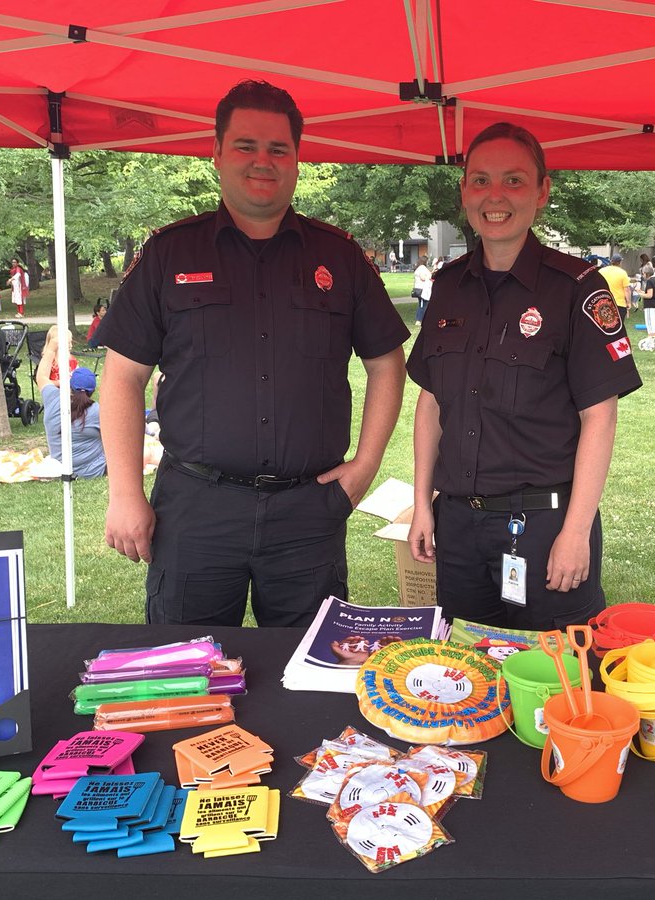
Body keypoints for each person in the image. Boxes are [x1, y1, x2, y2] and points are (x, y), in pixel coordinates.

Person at [98, 79, 409, 629]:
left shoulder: (339, 257)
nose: (262, 161)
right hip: (196, 509)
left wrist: (366, 465)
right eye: (245, 145)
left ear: (296, 159)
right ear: (216, 153)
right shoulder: (170, 254)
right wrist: (125, 492)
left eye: (278, 148)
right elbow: (123, 378)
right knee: (187, 674)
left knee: (309, 676)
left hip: (307, 512)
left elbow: (387, 362)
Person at [406, 122, 641, 631]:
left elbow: (599, 417)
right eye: (480, 180)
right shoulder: (447, 287)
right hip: (459, 527)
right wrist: (422, 506)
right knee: (463, 680)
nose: (495, 196)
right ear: (464, 190)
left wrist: (575, 532)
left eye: (513, 181)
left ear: (542, 191)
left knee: (555, 681)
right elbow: (430, 404)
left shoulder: (578, 289)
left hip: (544, 526)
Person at [36, 330, 105, 478]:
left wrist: (51, 348)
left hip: (60, 467)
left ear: (69, 384)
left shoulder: (52, 399)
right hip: (93, 469)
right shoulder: (97, 411)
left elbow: (41, 376)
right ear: (93, 390)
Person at [600, 254, 632, 321]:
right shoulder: (622, 273)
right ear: (620, 262)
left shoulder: (601, 271)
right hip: (619, 303)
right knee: (618, 326)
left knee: (605, 325)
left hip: (604, 302)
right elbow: (627, 290)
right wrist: (629, 302)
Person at [413, 254, 433, 325]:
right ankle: (419, 320)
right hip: (422, 290)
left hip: (423, 289)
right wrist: (429, 277)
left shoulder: (420, 268)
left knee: (425, 304)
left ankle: (424, 319)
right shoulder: (421, 268)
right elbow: (423, 278)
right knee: (422, 305)